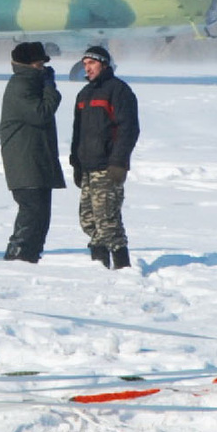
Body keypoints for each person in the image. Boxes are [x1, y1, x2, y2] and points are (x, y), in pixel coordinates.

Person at [70, 45, 139, 269]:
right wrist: (76, 163)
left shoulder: (118, 90)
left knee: (108, 221)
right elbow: (77, 132)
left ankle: (122, 266)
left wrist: (119, 162)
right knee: (89, 221)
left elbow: (128, 129)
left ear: (104, 64)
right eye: (84, 64)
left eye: (91, 63)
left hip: (108, 167)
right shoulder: (84, 94)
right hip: (88, 167)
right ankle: (99, 268)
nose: (87, 68)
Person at [0, 41, 65, 263]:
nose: (43, 69)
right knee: (32, 213)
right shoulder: (21, 86)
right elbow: (41, 113)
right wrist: (50, 88)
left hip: (36, 162)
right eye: (40, 64)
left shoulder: (30, 84)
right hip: (25, 164)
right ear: (29, 65)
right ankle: (18, 256)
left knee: (40, 217)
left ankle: (30, 256)